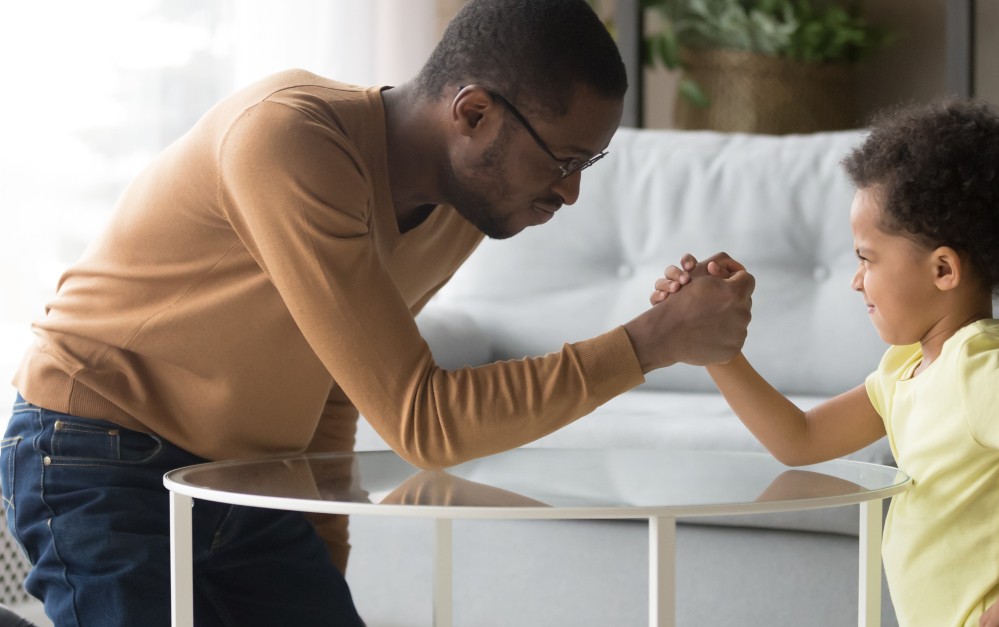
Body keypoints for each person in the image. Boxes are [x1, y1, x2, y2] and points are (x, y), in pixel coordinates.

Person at [0, 1, 754, 625]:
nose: (569, 192)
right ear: (474, 112)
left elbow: (344, 379)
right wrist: (650, 341)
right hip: (96, 448)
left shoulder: (466, 205)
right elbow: (424, 419)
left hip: (245, 479)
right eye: (562, 159)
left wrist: (324, 557)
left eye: (587, 165)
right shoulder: (288, 140)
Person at [651, 100, 999, 627]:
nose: (857, 280)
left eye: (866, 258)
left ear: (944, 269)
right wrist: (716, 349)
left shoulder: (980, 371)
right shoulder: (905, 371)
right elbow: (799, 440)